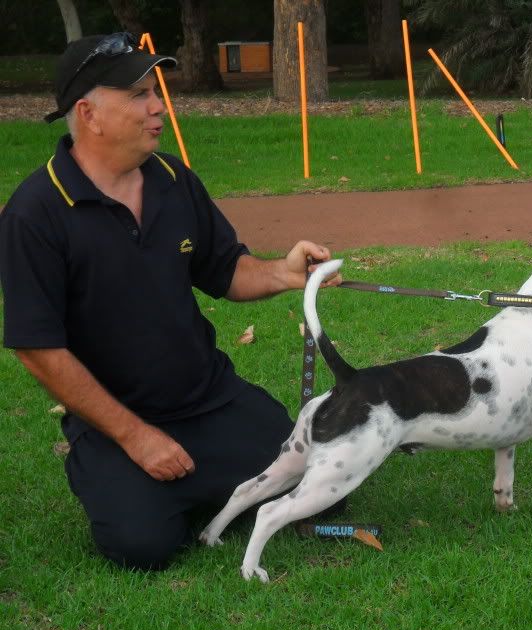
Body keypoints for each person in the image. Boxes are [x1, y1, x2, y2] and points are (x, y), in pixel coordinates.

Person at [0, 33, 341, 571]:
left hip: (209, 399)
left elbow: (225, 269)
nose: (158, 106)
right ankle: (135, 482)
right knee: (144, 546)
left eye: (154, 90)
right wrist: (137, 438)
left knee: (327, 485)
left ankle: (203, 484)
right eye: (138, 94)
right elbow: (38, 348)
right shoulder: (35, 213)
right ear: (88, 113)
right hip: (117, 420)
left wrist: (284, 272)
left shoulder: (172, 179)